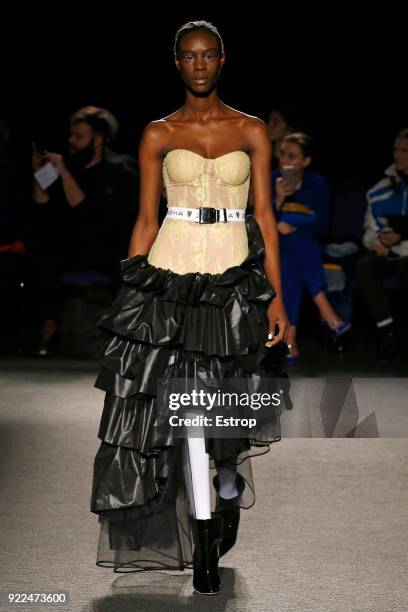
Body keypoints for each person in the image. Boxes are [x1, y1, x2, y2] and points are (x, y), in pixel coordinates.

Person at [90, 20, 289, 596]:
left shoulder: (251, 129)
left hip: (231, 279)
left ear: (222, 60)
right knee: (186, 416)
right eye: (188, 56)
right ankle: (202, 536)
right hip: (171, 274)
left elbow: (267, 222)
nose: (199, 65)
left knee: (224, 411)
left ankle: (225, 490)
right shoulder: (157, 133)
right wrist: (132, 293)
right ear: (176, 63)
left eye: (208, 56)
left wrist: (276, 298)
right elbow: (147, 219)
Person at [30, 106, 139, 353]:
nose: (71, 141)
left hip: (107, 263)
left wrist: (64, 173)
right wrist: (40, 175)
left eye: (79, 136)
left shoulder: (121, 169)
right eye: (71, 135)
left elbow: (93, 217)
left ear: (97, 139)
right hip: (65, 262)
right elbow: (42, 211)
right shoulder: (70, 167)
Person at [271, 132, 351, 363]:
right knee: (299, 247)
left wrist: (293, 225)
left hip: (297, 250)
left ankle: (289, 341)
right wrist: (277, 201)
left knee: (295, 258)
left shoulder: (318, 183)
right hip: (272, 247)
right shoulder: (270, 179)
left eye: (293, 156)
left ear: (305, 161)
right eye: (283, 154)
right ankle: (328, 315)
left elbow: (322, 224)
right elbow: (260, 220)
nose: (285, 160)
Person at [356, 127, 408, 362]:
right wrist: (377, 242)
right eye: (396, 150)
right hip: (388, 253)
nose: (398, 155)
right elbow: (369, 230)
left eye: (405, 151)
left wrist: (402, 237)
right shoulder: (380, 190)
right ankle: (387, 333)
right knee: (365, 266)